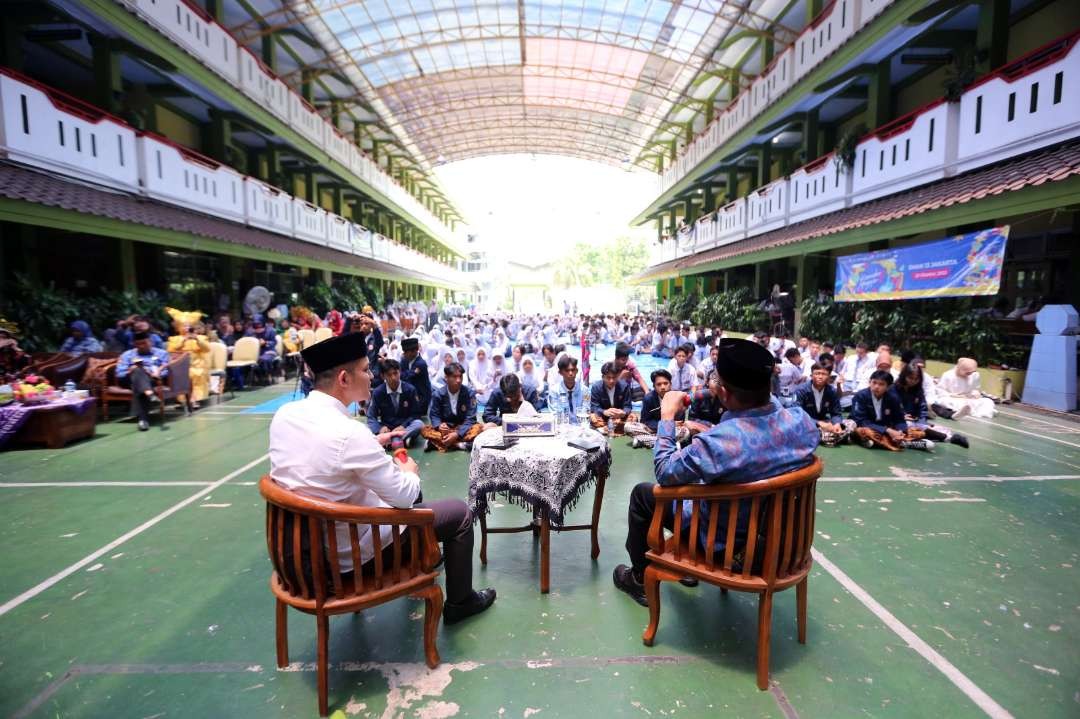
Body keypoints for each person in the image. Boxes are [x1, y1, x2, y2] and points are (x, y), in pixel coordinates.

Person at [268, 333, 495, 624]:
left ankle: (426, 555)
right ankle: (461, 602)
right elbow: (404, 496)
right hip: (350, 559)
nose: (372, 375)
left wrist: (373, 444)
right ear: (343, 379)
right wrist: (408, 472)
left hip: (306, 553)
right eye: (365, 369)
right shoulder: (349, 433)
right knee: (459, 513)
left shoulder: (286, 416)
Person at [613, 338, 820, 606]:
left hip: (729, 549)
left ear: (724, 393)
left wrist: (667, 417)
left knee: (643, 494)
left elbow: (665, 472)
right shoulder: (802, 422)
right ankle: (678, 570)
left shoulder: (722, 443)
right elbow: (767, 422)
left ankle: (640, 578)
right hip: (785, 546)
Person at [891, 363, 970, 448]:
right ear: (904, 376)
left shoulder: (918, 390)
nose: (913, 381)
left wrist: (921, 421)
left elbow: (922, 408)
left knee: (933, 428)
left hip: (914, 421)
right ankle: (948, 439)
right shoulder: (893, 389)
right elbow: (889, 408)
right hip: (898, 421)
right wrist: (901, 416)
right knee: (909, 426)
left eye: (916, 379)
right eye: (910, 378)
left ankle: (926, 438)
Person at [851, 370, 933, 451]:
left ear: (888, 387)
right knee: (865, 432)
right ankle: (904, 443)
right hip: (868, 427)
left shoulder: (893, 398)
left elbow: (899, 419)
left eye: (881, 384)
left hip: (887, 428)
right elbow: (861, 421)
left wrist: (900, 431)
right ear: (870, 382)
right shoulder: (861, 396)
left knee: (917, 432)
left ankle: (895, 440)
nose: (876, 386)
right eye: (874, 382)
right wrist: (887, 430)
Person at [115, 331, 171, 431]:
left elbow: (166, 370)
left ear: (150, 342)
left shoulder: (161, 353)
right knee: (137, 370)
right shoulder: (128, 355)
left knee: (140, 384)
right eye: (138, 344)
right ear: (134, 344)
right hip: (128, 380)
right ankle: (149, 394)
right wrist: (129, 370)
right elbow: (119, 373)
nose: (141, 346)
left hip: (151, 379)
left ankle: (143, 420)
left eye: (144, 343)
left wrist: (156, 373)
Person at [422, 362, 482, 452]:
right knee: (424, 429)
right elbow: (434, 415)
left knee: (478, 429)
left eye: (460, 377)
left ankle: (437, 443)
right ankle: (460, 445)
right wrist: (439, 426)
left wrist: (457, 434)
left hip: (463, 428)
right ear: (446, 378)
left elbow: (471, 418)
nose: (458, 380)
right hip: (446, 429)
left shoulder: (469, 394)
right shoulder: (438, 394)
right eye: (454, 377)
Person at [625, 369, 691, 449]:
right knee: (628, 426)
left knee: (685, 432)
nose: (662, 387)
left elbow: (680, 422)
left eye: (665, 383)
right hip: (653, 429)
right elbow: (645, 421)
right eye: (659, 384)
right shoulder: (648, 398)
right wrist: (662, 425)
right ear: (654, 387)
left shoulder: (678, 397)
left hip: (671, 431)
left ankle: (644, 440)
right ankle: (669, 443)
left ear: (670, 384)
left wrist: (670, 426)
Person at [366, 358, 424, 449]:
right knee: (366, 427)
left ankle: (389, 441)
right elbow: (371, 416)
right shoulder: (378, 392)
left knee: (419, 424)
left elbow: (416, 414)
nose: (393, 377)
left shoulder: (410, 389)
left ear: (400, 372)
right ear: (383, 376)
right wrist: (379, 429)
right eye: (389, 375)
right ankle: (401, 440)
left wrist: (403, 426)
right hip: (387, 427)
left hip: (404, 426)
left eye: (395, 373)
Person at [795, 363, 855, 447]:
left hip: (825, 422)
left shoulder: (831, 391)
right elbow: (797, 414)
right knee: (799, 428)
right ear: (811, 375)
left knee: (851, 423)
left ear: (829, 376)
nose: (820, 377)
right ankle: (838, 437)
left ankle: (830, 436)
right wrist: (819, 423)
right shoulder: (801, 390)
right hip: (807, 422)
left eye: (823, 374)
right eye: (817, 373)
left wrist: (837, 424)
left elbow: (836, 413)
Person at [589, 361, 634, 434]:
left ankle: (605, 429)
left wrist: (623, 412)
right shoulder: (596, 387)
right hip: (604, 418)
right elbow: (594, 407)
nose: (611, 381)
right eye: (608, 377)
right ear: (603, 377)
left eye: (614, 377)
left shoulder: (624, 386)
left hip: (619, 418)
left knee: (633, 417)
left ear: (618, 376)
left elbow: (628, 406)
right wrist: (604, 412)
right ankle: (619, 429)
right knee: (592, 418)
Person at [399, 337, 431, 418]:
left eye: (407, 352)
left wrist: (406, 374)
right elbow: (400, 375)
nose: (404, 354)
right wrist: (412, 372)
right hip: (408, 397)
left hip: (420, 398)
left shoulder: (421, 364)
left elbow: (406, 377)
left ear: (414, 351)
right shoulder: (404, 360)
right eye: (404, 352)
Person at [246, 316, 279, 382]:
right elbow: (246, 340)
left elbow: (274, 342)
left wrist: (265, 342)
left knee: (264, 359)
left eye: (259, 323)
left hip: (268, 351)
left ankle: (268, 376)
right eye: (255, 324)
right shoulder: (249, 331)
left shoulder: (270, 330)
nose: (257, 325)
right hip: (254, 352)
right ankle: (257, 378)